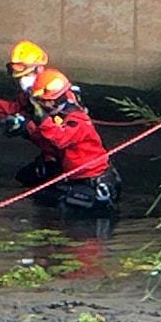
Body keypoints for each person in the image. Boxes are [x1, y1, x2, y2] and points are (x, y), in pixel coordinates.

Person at [13, 68, 121, 217]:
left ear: (55, 100)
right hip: (75, 177)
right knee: (36, 189)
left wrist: (41, 120)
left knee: (72, 211)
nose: (42, 106)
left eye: (44, 102)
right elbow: (49, 142)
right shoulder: (61, 115)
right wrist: (26, 128)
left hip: (93, 181)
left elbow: (60, 139)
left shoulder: (78, 121)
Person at [0, 39, 60, 186]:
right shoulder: (30, 94)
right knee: (25, 177)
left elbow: (58, 135)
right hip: (50, 154)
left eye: (26, 75)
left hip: (68, 157)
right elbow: (16, 109)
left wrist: (24, 126)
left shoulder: (54, 94)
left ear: (39, 69)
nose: (23, 80)